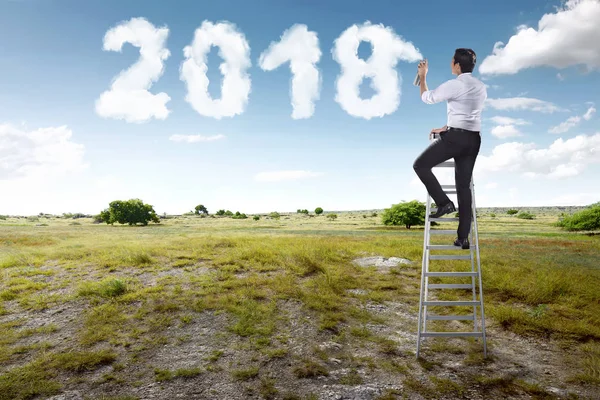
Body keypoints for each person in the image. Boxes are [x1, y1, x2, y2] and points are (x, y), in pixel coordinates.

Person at [412, 48, 487, 249]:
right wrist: (447, 127)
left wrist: (423, 76)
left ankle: (444, 203)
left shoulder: (454, 85)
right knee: (464, 188)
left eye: (451, 61)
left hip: (456, 139)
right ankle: (463, 238)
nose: (450, 63)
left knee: (420, 165)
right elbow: (468, 112)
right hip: (474, 139)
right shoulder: (480, 86)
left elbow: (427, 97)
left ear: (457, 65)